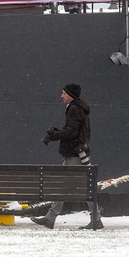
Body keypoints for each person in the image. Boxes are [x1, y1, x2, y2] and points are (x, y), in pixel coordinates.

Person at [32, 83, 103, 230]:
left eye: (64, 93)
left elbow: (71, 132)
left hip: (74, 154)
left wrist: (54, 135)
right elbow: (74, 130)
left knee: (80, 187)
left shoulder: (75, 108)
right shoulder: (79, 108)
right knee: (80, 186)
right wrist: (58, 133)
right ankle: (51, 218)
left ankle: (52, 218)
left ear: (71, 94)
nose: (61, 96)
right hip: (78, 153)